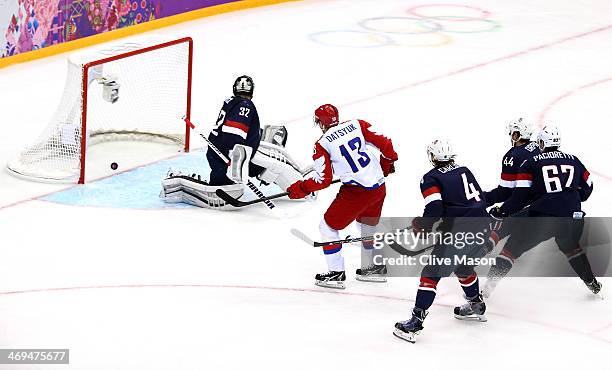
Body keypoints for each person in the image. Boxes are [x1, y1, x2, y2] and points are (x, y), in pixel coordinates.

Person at [393, 139, 496, 343]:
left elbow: (434, 208)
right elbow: (472, 200)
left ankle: (415, 322)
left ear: (432, 157)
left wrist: (423, 225)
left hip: (460, 233)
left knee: (430, 274)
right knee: (464, 268)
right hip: (483, 228)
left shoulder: (430, 178)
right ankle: (476, 305)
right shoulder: (464, 169)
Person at [286, 104, 398, 289]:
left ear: (320, 123)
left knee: (327, 227)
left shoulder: (322, 144)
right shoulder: (357, 125)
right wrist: (386, 165)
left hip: (357, 192)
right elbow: (386, 145)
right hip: (379, 187)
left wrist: (300, 188)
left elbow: (323, 179)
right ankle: (374, 266)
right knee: (366, 223)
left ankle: (336, 273)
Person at [160, 76, 310, 209]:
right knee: (228, 193)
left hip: (221, 154)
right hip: (229, 156)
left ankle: (301, 180)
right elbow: (234, 134)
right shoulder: (245, 105)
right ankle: (178, 181)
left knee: (257, 175)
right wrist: (234, 158)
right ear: (251, 92)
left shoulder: (232, 102)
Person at [487, 125, 602, 295]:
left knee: (512, 248)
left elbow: (518, 199)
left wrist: (501, 211)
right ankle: (591, 282)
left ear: (541, 142)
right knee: (571, 247)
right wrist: (571, 197)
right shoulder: (573, 159)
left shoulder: (531, 163)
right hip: (573, 218)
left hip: (543, 218)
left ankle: (486, 288)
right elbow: (588, 187)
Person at [481, 118, 539, 296]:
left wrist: (482, 200)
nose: (511, 136)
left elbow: (505, 192)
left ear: (518, 134)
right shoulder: (540, 148)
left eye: (513, 132)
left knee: (491, 234)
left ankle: (467, 261)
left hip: (521, 207)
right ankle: (491, 281)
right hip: (545, 207)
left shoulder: (513, 155)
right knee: (512, 248)